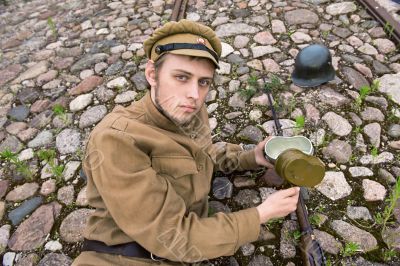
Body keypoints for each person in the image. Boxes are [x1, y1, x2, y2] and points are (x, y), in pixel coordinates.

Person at [73, 19, 300, 266]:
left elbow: (203, 156)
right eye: (181, 77)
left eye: (203, 82)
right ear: (152, 74)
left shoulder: (187, 111)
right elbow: (174, 238)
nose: (194, 94)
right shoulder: (116, 140)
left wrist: (250, 157)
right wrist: (260, 215)